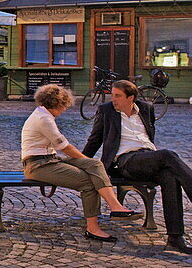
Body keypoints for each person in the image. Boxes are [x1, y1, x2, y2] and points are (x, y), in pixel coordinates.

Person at [83, 79, 192, 255]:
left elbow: (149, 137)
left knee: (170, 176)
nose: (114, 100)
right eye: (113, 95)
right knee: (168, 155)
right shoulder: (106, 111)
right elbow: (94, 140)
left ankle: (175, 238)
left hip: (148, 157)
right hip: (124, 160)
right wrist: (81, 162)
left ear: (131, 98)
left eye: (118, 96)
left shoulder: (146, 108)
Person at [21, 84, 138, 243]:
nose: (65, 109)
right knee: (88, 181)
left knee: (95, 165)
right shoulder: (43, 119)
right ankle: (93, 228)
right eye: (64, 105)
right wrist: (84, 160)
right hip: (38, 165)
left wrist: (88, 162)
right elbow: (66, 147)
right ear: (57, 103)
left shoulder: (44, 114)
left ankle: (116, 207)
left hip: (50, 160)